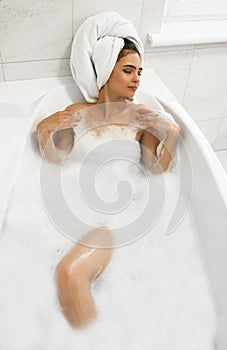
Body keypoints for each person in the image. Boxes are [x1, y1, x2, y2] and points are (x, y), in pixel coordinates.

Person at [36, 14, 180, 328]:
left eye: (139, 72)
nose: (137, 79)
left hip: (115, 218)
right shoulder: (76, 113)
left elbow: (156, 172)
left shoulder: (143, 118)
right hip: (71, 209)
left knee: (70, 273)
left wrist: (172, 135)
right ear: (105, 70)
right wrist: (43, 132)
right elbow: (56, 162)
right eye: (128, 70)